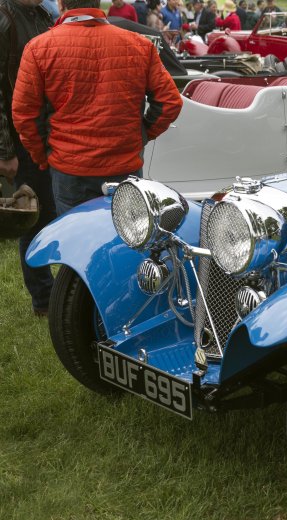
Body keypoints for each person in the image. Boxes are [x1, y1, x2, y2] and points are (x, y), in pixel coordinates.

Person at [12, 0, 183, 217]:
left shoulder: (39, 47)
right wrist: (142, 135)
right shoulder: (139, 44)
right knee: (125, 233)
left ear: (61, 4)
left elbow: (24, 114)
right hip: (122, 164)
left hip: (70, 167)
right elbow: (169, 101)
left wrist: (43, 156)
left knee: (74, 234)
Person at [0, 0, 55, 317]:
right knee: (34, 214)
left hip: (46, 131)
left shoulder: (43, 13)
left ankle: (51, 293)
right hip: (20, 133)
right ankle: (44, 298)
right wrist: (5, 151)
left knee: (51, 210)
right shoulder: (4, 17)